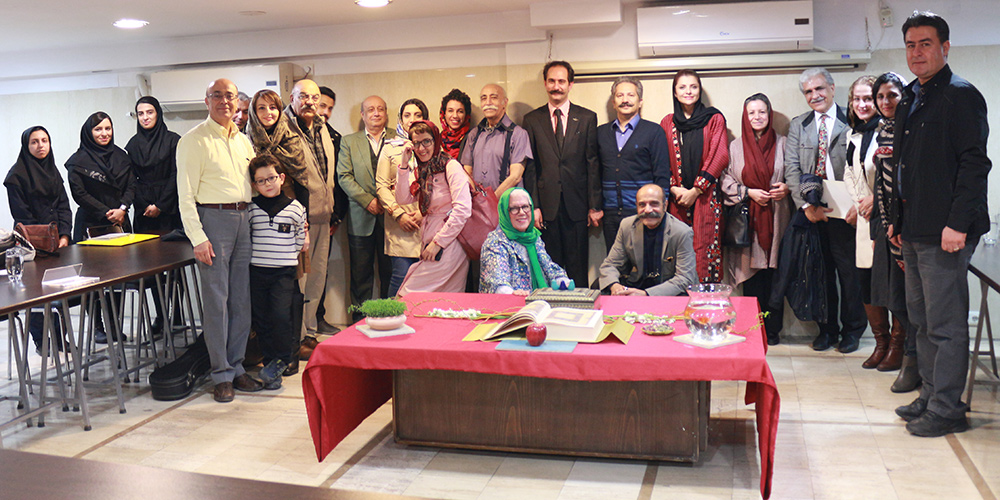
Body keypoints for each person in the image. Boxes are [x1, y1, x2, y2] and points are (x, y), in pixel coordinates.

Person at [889, 12, 990, 437]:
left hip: (945, 232)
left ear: (945, 47)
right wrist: (896, 220)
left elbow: (974, 165)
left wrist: (958, 225)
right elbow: (903, 166)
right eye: (911, 45)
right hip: (914, 228)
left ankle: (948, 408)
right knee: (922, 320)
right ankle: (930, 396)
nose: (917, 52)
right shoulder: (911, 97)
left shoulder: (960, 95)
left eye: (925, 44)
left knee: (946, 325)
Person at [176, 78, 263, 403]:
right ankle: (221, 374)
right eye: (218, 95)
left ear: (237, 101)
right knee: (217, 301)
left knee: (241, 299)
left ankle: (237, 366)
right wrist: (198, 237)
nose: (225, 101)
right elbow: (185, 196)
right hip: (213, 220)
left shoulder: (242, 141)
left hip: (244, 217)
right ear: (207, 100)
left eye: (230, 96)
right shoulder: (193, 140)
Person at [784, 67, 867, 353]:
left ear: (832, 88)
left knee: (850, 275)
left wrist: (858, 204)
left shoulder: (853, 118)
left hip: (847, 213)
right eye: (808, 91)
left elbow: (863, 164)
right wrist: (806, 206)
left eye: (819, 88)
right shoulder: (799, 125)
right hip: (813, 212)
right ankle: (827, 330)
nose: (814, 95)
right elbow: (792, 168)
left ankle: (853, 331)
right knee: (819, 274)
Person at [522, 60, 601, 288]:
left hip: (578, 206)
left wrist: (594, 205)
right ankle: (550, 308)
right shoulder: (532, 120)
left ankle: (580, 306)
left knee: (578, 269)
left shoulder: (587, 118)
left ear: (570, 84)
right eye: (551, 81)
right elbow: (531, 167)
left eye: (561, 81)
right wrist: (534, 206)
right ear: (545, 83)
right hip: (546, 209)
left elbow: (592, 164)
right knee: (549, 269)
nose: (556, 86)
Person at [720, 93, 790, 345]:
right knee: (753, 277)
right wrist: (748, 192)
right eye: (751, 113)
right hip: (748, 221)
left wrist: (786, 188)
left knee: (776, 277)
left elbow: (794, 172)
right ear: (745, 116)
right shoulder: (735, 147)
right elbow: (725, 180)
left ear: (769, 114)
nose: (757, 117)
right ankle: (753, 328)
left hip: (777, 218)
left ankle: (773, 331)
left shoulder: (783, 143)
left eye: (762, 112)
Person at [869, 71, 920, 391]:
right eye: (881, 96)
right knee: (894, 297)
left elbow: (907, 183)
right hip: (887, 225)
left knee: (911, 301)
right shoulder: (882, 130)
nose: (886, 102)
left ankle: (914, 363)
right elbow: (882, 183)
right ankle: (912, 361)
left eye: (892, 95)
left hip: (909, 225)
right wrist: (886, 224)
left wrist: (898, 223)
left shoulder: (910, 128)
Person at [5, 126, 72, 352]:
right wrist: (45, 241)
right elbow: (22, 216)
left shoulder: (53, 170)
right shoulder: (16, 176)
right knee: (36, 295)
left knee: (60, 291)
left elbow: (64, 206)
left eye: (44, 140)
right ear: (26, 145)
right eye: (34, 142)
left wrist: (64, 235)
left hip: (58, 244)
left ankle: (60, 338)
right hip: (32, 246)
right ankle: (41, 341)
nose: (40, 145)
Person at [661, 70, 729, 283]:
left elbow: (720, 155)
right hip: (677, 199)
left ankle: (706, 301)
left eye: (693, 86)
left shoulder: (714, 119)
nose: (688, 91)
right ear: (674, 92)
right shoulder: (667, 122)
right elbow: (661, 158)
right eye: (682, 87)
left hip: (706, 197)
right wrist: (674, 188)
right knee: (678, 251)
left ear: (700, 90)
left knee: (705, 250)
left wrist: (696, 190)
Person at [843, 75, 892, 368]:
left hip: (886, 217)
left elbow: (895, 173)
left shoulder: (889, 131)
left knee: (891, 285)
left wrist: (875, 198)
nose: (862, 104)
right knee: (867, 282)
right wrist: (862, 200)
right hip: (865, 216)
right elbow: (850, 173)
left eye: (868, 98)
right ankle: (880, 343)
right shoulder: (855, 135)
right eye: (856, 99)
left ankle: (897, 346)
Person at [247, 154, 307, 389]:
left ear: (281, 178)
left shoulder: (296, 208)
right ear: (254, 185)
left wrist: (287, 258)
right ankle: (270, 364)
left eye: (271, 178)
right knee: (262, 318)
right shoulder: (252, 209)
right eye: (261, 181)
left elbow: (299, 239)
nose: (268, 184)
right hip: (257, 272)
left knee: (281, 316)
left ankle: (282, 359)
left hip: (283, 273)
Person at [394, 120, 472, 294]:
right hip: (430, 240)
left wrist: (438, 243)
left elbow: (462, 210)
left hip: (449, 243)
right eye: (416, 143)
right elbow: (402, 198)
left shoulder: (450, 166)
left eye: (426, 142)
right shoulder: (423, 169)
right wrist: (404, 164)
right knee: (435, 302)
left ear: (435, 141)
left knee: (408, 295)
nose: (421, 148)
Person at [597, 76, 671, 254]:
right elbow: (594, 173)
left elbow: (662, 173)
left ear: (640, 101)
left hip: (645, 213)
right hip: (610, 215)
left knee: (646, 264)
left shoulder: (654, 132)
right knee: (615, 264)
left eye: (631, 95)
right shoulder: (600, 133)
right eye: (620, 95)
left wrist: (660, 208)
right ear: (613, 103)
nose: (625, 100)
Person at [338, 95, 394, 320]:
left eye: (380, 109)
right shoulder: (349, 142)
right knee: (360, 276)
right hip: (360, 218)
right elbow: (344, 176)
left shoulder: (399, 139)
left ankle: (389, 321)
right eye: (371, 109)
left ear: (386, 113)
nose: (376, 113)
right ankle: (359, 324)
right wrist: (367, 201)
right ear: (363, 115)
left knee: (390, 274)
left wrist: (388, 202)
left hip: (392, 218)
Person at [599, 184, 697, 296]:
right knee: (600, 286)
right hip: (638, 284)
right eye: (642, 205)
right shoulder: (627, 226)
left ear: (665, 205)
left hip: (667, 290)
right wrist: (615, 286)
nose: (648, 210)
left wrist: (646, 294)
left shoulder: (682, 232)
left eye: (654, 204)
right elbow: (610, 265)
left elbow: (684, 278)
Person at [376, 99, 426, 296]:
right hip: (399, 224)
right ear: (400, 119)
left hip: (425, 223)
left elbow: (439, 187)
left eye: (417, 115)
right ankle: (394, 315)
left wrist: (424, 212)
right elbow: (381, 186)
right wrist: (399, 215)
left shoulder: (431, 146)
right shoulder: (389, 148)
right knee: (400, 277)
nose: (412, 119)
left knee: (424, 281)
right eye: (407, 115)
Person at [480, 187, 570, 295]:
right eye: (514, 208)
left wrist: (561, 279)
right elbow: (498, 280)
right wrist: (511, 293)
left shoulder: (533, 236)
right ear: (504, 212)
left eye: (525, 207)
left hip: (539, 299)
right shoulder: (495, 243)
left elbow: (548, 266)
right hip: (513, 303)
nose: (522, 212)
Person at [67, 111, 135, 241]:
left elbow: (131, 186)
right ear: (89, 132)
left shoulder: (122, 156)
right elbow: (79, 193)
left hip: (120, 220)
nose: (104, 133)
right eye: (98, 129)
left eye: (108, 128)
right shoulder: (77, 161)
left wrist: (122, 209)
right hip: (90, 222)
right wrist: (106, 213)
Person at [316, 85, 348, 335]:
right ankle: (301, 326)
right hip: (301, 219)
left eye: (330, 108)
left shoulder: (335, 138)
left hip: (328, 218)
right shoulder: (294, 134)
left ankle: (318, 318)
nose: (325, 112)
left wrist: (337, 217)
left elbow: (339, 181)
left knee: (321, 272)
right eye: (322, 106)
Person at [460, 83, 532, 198]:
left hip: (507, 203)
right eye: (484, 98)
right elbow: (467, 171)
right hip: (478, 203)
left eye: (494, 97)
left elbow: (516, 176)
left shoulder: (518, 134)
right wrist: (477, 198)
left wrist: (491, 200)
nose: (488, 102)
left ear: (505, 102)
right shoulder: (474, 134)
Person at [126, 96, 182, 233]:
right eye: (140, 114)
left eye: (150, 112)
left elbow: (176, 175)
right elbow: (130, 179)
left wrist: (160, 206)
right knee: (143, 245)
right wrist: (144, 205)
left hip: (169, 206)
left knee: (172, 245)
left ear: (158, 113)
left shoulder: (173, 140)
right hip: (143, 209)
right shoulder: (133, 144)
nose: (145, 117)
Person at [439, 88, 472, 160]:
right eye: (450, 111)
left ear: (466, 115)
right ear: (444, 114)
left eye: (460, 111)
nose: (455, 116)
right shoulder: (437, 140)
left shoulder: (472, 138)